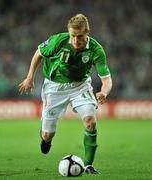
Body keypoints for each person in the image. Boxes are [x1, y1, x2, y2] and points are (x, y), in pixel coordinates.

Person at [19, 14, 112, 174]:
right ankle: (45, 139)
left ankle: (88, 165)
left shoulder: (95, 50)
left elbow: (107, 78)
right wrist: (29, 78)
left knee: (90, 122)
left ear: (87, 32)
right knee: (48, 135)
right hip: (54, 87)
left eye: (80, 36)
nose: (76, 40)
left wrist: (104, 91)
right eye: (73, 36)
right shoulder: (58, 41)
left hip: (80, 86)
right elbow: (39, 53)